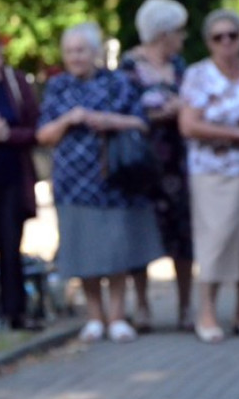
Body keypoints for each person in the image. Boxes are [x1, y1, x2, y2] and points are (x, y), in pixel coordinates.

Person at [37, 22, 164, 343]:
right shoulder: (58, 87)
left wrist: (108, 120)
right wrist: (69, 118)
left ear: (95, 52)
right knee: (83, 250)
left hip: (113, 180)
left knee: (116, 250)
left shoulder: (118, 83)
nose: (75, 57)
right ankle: (95, 317)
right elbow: (43, 135)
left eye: (81, 50)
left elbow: (142, 123)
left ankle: (118, 316)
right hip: (72, 183)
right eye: (70, 51)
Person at [179, 9, 239, 343]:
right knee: (217, 241)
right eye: (218, 37)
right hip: (213, 172)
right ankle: (206, 313)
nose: (226, 43)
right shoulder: (198, 75)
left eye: (232, 35)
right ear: (208, 42)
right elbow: (188, 125)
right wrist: (238, 134)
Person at [120, 0, 194, 332]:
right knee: (141, 231)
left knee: (183, 235)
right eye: (179, 30)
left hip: (179, 161)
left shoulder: (179, 65)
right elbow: (124, 110)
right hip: (143, 161)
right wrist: (164, 112)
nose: (183, 37)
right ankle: (142, 306)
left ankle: (185, 306)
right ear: (163, 33)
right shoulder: (129, 66)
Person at [0, 30, 41, 330]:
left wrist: (7, 135)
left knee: (11, 245)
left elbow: (36, 130)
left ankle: (15, 312)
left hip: (13, 180)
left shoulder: (16, 83)